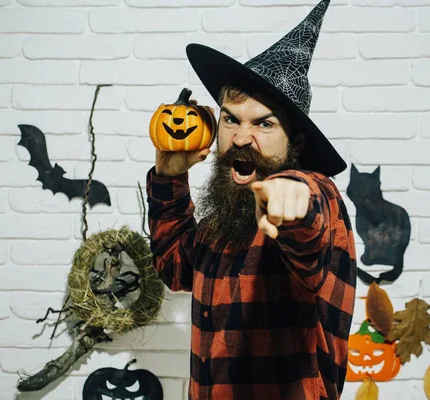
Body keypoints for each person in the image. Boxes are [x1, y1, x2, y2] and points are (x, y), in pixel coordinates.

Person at [146, 1, 357, 398]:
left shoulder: (316, 195)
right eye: (231, 119)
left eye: (264, 123)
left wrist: (292, 201)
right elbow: (174, 267)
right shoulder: (224, 217)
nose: (242, 138)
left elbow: (308, 221)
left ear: (294, 142)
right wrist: (169, 176)